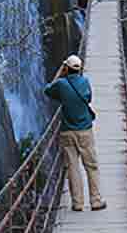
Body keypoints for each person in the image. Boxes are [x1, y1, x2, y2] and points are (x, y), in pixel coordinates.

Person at [44, 54, 107, 212]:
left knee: (72, 168)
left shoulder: (60, 84)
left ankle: (77, 203)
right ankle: (96, 200)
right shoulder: (85, 82)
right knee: (91, 166)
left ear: (66, 68)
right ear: (79, 69)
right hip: (85, 130)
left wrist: (60, 73)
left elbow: (47, 91)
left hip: (67, 132)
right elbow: (88, 97)